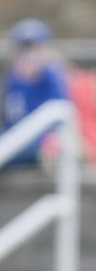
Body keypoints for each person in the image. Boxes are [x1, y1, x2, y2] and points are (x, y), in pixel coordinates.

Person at [1, 19, 68, 168]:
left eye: (34, 48)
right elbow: (9, 120)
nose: (29, 55)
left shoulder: (53, 77)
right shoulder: (12, 79)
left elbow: (61, 120)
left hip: (42, 142)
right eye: (24, 49)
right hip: (14, 139)